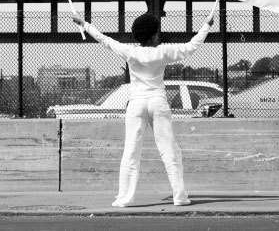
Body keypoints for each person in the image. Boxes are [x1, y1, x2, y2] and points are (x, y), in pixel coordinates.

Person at [71, 11, 214, 207]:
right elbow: (191, 46)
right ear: (154, 34)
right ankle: (179, 197)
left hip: (136, 104)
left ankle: (124, 199)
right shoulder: (163, 52)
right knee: (170, 151)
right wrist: (206, 25)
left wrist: (85, 24)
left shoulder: (130, 52)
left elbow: (104, 40)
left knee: (130, 151)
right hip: (158, 101)